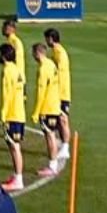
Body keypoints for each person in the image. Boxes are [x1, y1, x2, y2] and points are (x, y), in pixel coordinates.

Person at [31, 43, 66, 177]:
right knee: (51, 135)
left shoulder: (43, 69)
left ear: (37, 53)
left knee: (49, 136)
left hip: (47, 108)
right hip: (54, 105)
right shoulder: (51, 64)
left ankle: (52, 166)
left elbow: (41, 92)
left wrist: (36, 112)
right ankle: (53, 164)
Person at [0, 43, 27, 191]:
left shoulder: (7, 71)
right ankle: (17, 176)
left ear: (3, 56)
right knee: (14, 145)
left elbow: (7, 94)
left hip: (12, 114)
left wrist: (4, 114)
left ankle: (19, 179)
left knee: (14, 146)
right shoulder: (17, 69)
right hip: (19, 112)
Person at [44, 28, 72, 161]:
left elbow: (59, 74)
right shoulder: (56, 52)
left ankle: (66, 148)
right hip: (59, 92)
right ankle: (63, 146)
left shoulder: (59, 53)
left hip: (62, 92)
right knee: (61, 120)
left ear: (50, 38)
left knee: (63, 119)